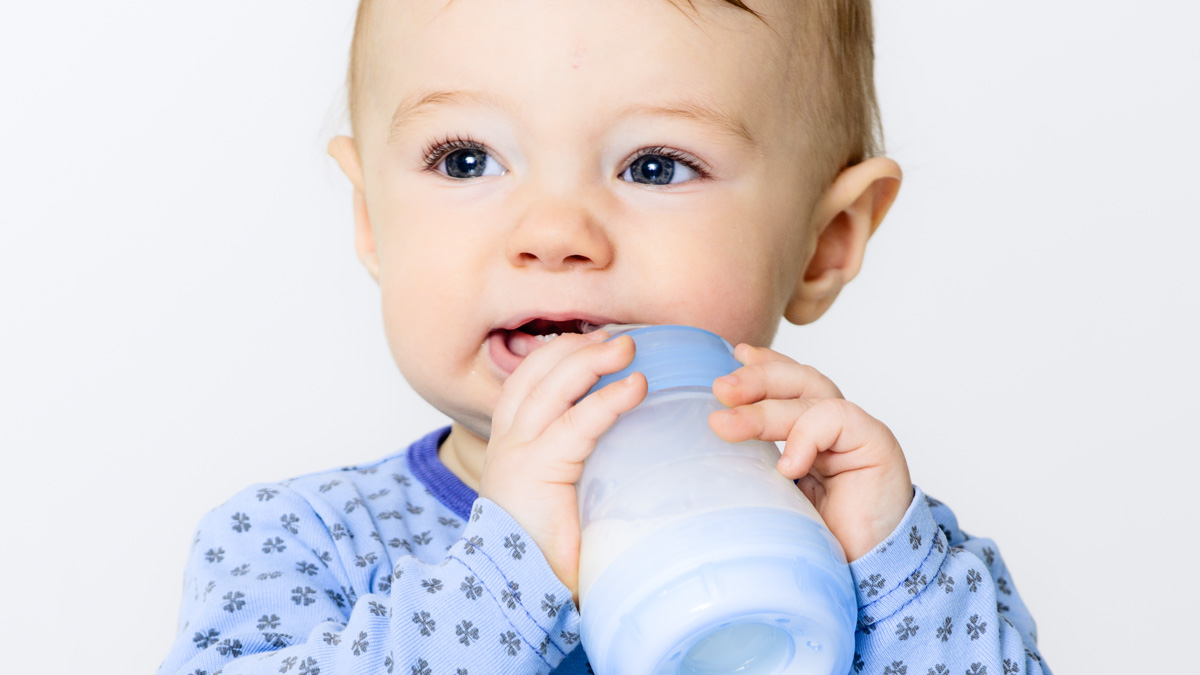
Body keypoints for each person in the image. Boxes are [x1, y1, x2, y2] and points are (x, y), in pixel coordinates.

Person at [158, 1, 1051, 673]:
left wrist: (892, 572)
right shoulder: (299, 541)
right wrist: (509, 579)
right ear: (370, 218)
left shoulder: (881, 552)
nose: (554, 231)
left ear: (827, 242)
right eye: (466, 159)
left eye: (655, 166)